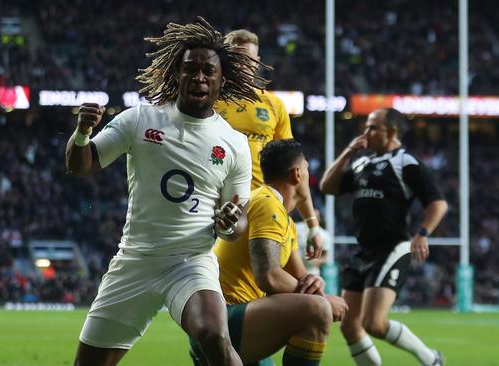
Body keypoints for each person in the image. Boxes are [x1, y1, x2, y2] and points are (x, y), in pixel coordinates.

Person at [66, 17, 268, 366]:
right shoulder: (139, 119)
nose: (199, 77)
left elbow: (238, 225)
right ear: (177, 74)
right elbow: (81, 165)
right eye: (191, 69)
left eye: (209, 71)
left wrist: (228, 223)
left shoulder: (235, 144)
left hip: (190, 262)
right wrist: (82, 132)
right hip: (136, 260)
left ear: (223, 80)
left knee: (214, 335)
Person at [190, 139, 348, 366]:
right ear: (297, 174)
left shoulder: (285, 219)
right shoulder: (266, 203)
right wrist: (323, 300)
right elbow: (269, 276)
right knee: (317, 310)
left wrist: (314, 283)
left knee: (315, 303)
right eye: (306, 169)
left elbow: (301, 278)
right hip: (219, 318)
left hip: (238, 318)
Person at [319, 108, 448, 366]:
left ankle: (431, 359)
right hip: (362, 251)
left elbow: (438, 203)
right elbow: (327, 187)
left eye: (373, 127)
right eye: (366, 126)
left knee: (373, 323)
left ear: (392, 131)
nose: (366, 133)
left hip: (392, 248)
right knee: (349, 325)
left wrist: (422, 234)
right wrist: (349, 151)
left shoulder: (406, 162)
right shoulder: (361, 162)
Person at [214, 29, 325, 260]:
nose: (243, 64)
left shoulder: (273, 105)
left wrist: (312, 224)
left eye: (248, 58)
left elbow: (295, 169)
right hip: (218, 211)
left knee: (290, 283)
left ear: (257, 62)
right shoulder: (208, 102)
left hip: (265, 209)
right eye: (236, 57)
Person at [295, 209, 331, 276]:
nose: (312, 219)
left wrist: (317, 262)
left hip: (312, 271)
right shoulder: (295, 228)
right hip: (294, 269)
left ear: (319, 218)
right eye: (309, 216)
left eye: (315, 217)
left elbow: (325, 256)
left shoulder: (325, 235)